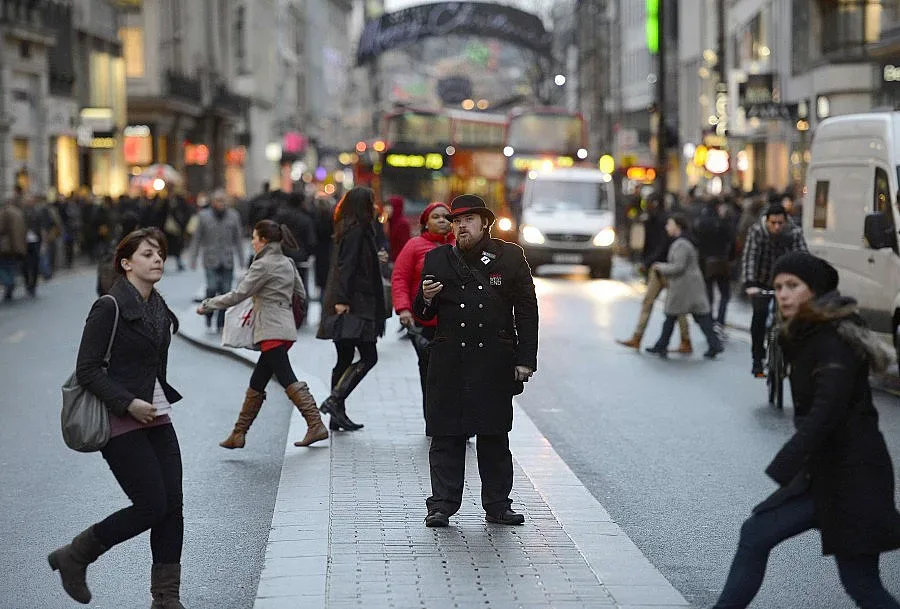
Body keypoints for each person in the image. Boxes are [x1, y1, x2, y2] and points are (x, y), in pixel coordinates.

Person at [713, 252, 900, 608]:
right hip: (821, 475)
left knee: (862, 583)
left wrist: (785, 462)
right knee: (756, 533)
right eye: (778, 287)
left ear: (813, 291)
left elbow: (826, 412)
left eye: (792, 287)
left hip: (854, 479)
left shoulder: (832, 341)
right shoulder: (804, 334)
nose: (782, 294)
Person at [49, 228, 187, 608]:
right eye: (147, 254)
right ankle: (75, 555)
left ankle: (166, 597)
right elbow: (88, 369)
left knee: (172, 505)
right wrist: (128, 403)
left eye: (159, 253)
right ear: (126, 264)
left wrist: (153, 398)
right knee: (150, 505)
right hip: (120, 417)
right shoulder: (108, 307)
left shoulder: (156, 304)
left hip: (156, 412)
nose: (157, 259)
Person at [413, 194, 538, 528]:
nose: (460, 227)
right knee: (445, 435)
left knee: (494, 435)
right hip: (449, 358)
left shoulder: (509, 257)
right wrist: (425, 299)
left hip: (493, 360)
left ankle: (498, 504)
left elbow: (526, 311)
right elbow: (424, 312)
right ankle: (441, 505)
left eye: (468, 220)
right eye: (456, 221)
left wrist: (526, 359)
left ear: (485, 223)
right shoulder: (438, 258)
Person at [197, 220, 328, 449]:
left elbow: (239, 294)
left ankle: (315, 423)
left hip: (270, 329)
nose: (253, 243)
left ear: (264, 240)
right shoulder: (287, 261)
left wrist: (209, 304)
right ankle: (238, 433)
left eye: (255, 238)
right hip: (284, 328)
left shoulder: (263, 264)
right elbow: (301, 294)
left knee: (287, 377)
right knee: (258, 381)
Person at [315, 187, 386, 431]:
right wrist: (342, 300)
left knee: (344, 358)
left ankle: (337, 415)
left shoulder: (349, 228)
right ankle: (335, 401)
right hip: (354, 303)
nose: (375, 206)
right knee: (369, 356)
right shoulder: (357, 230)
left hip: (348, 300)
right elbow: (347, 266)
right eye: (371, 201)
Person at [391, 201, 455, 417]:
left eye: (446, 217)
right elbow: (399, 278)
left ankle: (456, 419)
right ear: (425, 223)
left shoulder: (460, 246)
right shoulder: (414, 245)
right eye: (436, 217)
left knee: (454, 371)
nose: (442, 220)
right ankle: (434, 418)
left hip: (454, 321)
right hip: (424, 323)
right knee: (429, 370)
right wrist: (403, 309)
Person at [617, 195, 692, 353]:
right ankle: (638, 337)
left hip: (665, 268)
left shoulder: (665, 223)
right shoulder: (654, 221)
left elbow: (661, 247)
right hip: (658, 267)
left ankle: (684, 340)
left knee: (671, 305)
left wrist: (648, 262)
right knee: (651, 302)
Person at [645, 214, 724, 359]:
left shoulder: (681, 244)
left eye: (670, 224)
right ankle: (714, 344)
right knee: (696, 317)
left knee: (676, 316)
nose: (667, 227)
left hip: (685, 287)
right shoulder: (684, 241)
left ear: (677, 227)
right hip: (688, 287)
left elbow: (678, 267)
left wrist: (660, 267)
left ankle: (662, 345)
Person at [742, 203, 807, 377]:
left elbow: (803, 257)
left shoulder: (794, 233)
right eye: (773, 223)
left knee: (792, 319)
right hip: (761, 281)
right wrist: (750, 284)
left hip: (785, 283)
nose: (777, 227)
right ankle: (757, 359)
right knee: (760, 315)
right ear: (767, 221)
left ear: (786, 221)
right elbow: (750, 257)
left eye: (780, 223)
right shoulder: (757, 232)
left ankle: (790, 355)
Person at [188, 189, 245, 333]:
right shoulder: (203, 216)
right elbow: (197, 238)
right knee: (212, 287)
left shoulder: (233, 216)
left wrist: (241, 259)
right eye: (219, 201)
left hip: (227, 259)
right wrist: (193, 258)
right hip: (210, 259)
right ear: (213, 202)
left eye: (224, 201)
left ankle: (221, 321)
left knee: (226, 291)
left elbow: (238, 238)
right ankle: (208, 312)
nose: (222, 204)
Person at [694, 198, 736, 332]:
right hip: (721, 261)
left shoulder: (700, 222)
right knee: (725, 294)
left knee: (708, 293)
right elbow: (732, 241)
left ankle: (709, 321)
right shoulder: (723, 223)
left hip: (705, 262)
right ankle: (720, 321)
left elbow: (695, 242)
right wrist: (730, 258)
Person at [0, 197, 26, 301]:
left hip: (5, 245)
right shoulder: (19, 213)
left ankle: (9, 283)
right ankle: (10, 282)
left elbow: (1, 229)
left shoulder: (4, 213)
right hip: (16, 245)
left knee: (3, 266)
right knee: (10, 265)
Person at [384, 195, 411, 262]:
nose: (386, 208)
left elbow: (403, 247)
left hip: (398, 262)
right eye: (386, 206)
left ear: (396, 208)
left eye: (390, 206)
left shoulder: (402, 224)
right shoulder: (390, 222)